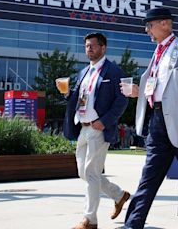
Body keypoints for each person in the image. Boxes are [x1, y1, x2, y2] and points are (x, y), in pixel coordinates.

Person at [119, 7, 178, 229]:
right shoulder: (157, 53)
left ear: (164, 24)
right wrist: (138, 90)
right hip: (157, 123)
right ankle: (133, 224)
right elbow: (158, 86)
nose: (147, 31)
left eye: (149, 25)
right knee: (148, 178)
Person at [60, 32, 130, 229]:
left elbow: (122, 100)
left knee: (91, 173)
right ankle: (119, 195)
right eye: (86, 46)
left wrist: (105, 121)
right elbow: (77, 99)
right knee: (84, 173)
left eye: (92, 46)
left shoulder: (114, 71)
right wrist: (67, 93)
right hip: (82, 127)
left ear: (103, 48)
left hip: (99, 129)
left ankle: (89, 220)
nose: (88, 49)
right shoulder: (83, 73)